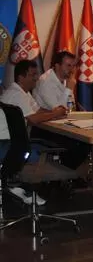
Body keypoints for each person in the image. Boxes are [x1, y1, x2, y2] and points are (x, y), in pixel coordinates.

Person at [0, 60, 69, 206]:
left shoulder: (21, 92)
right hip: (8, 145)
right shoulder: (16, 95)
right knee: (58, 149)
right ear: (21, 77)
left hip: (12, 144)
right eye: (32, 75)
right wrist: (55, 113)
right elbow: (33, 119)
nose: (36, 78)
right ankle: (46, 186)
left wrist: (55, 112)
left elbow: (37, 111)